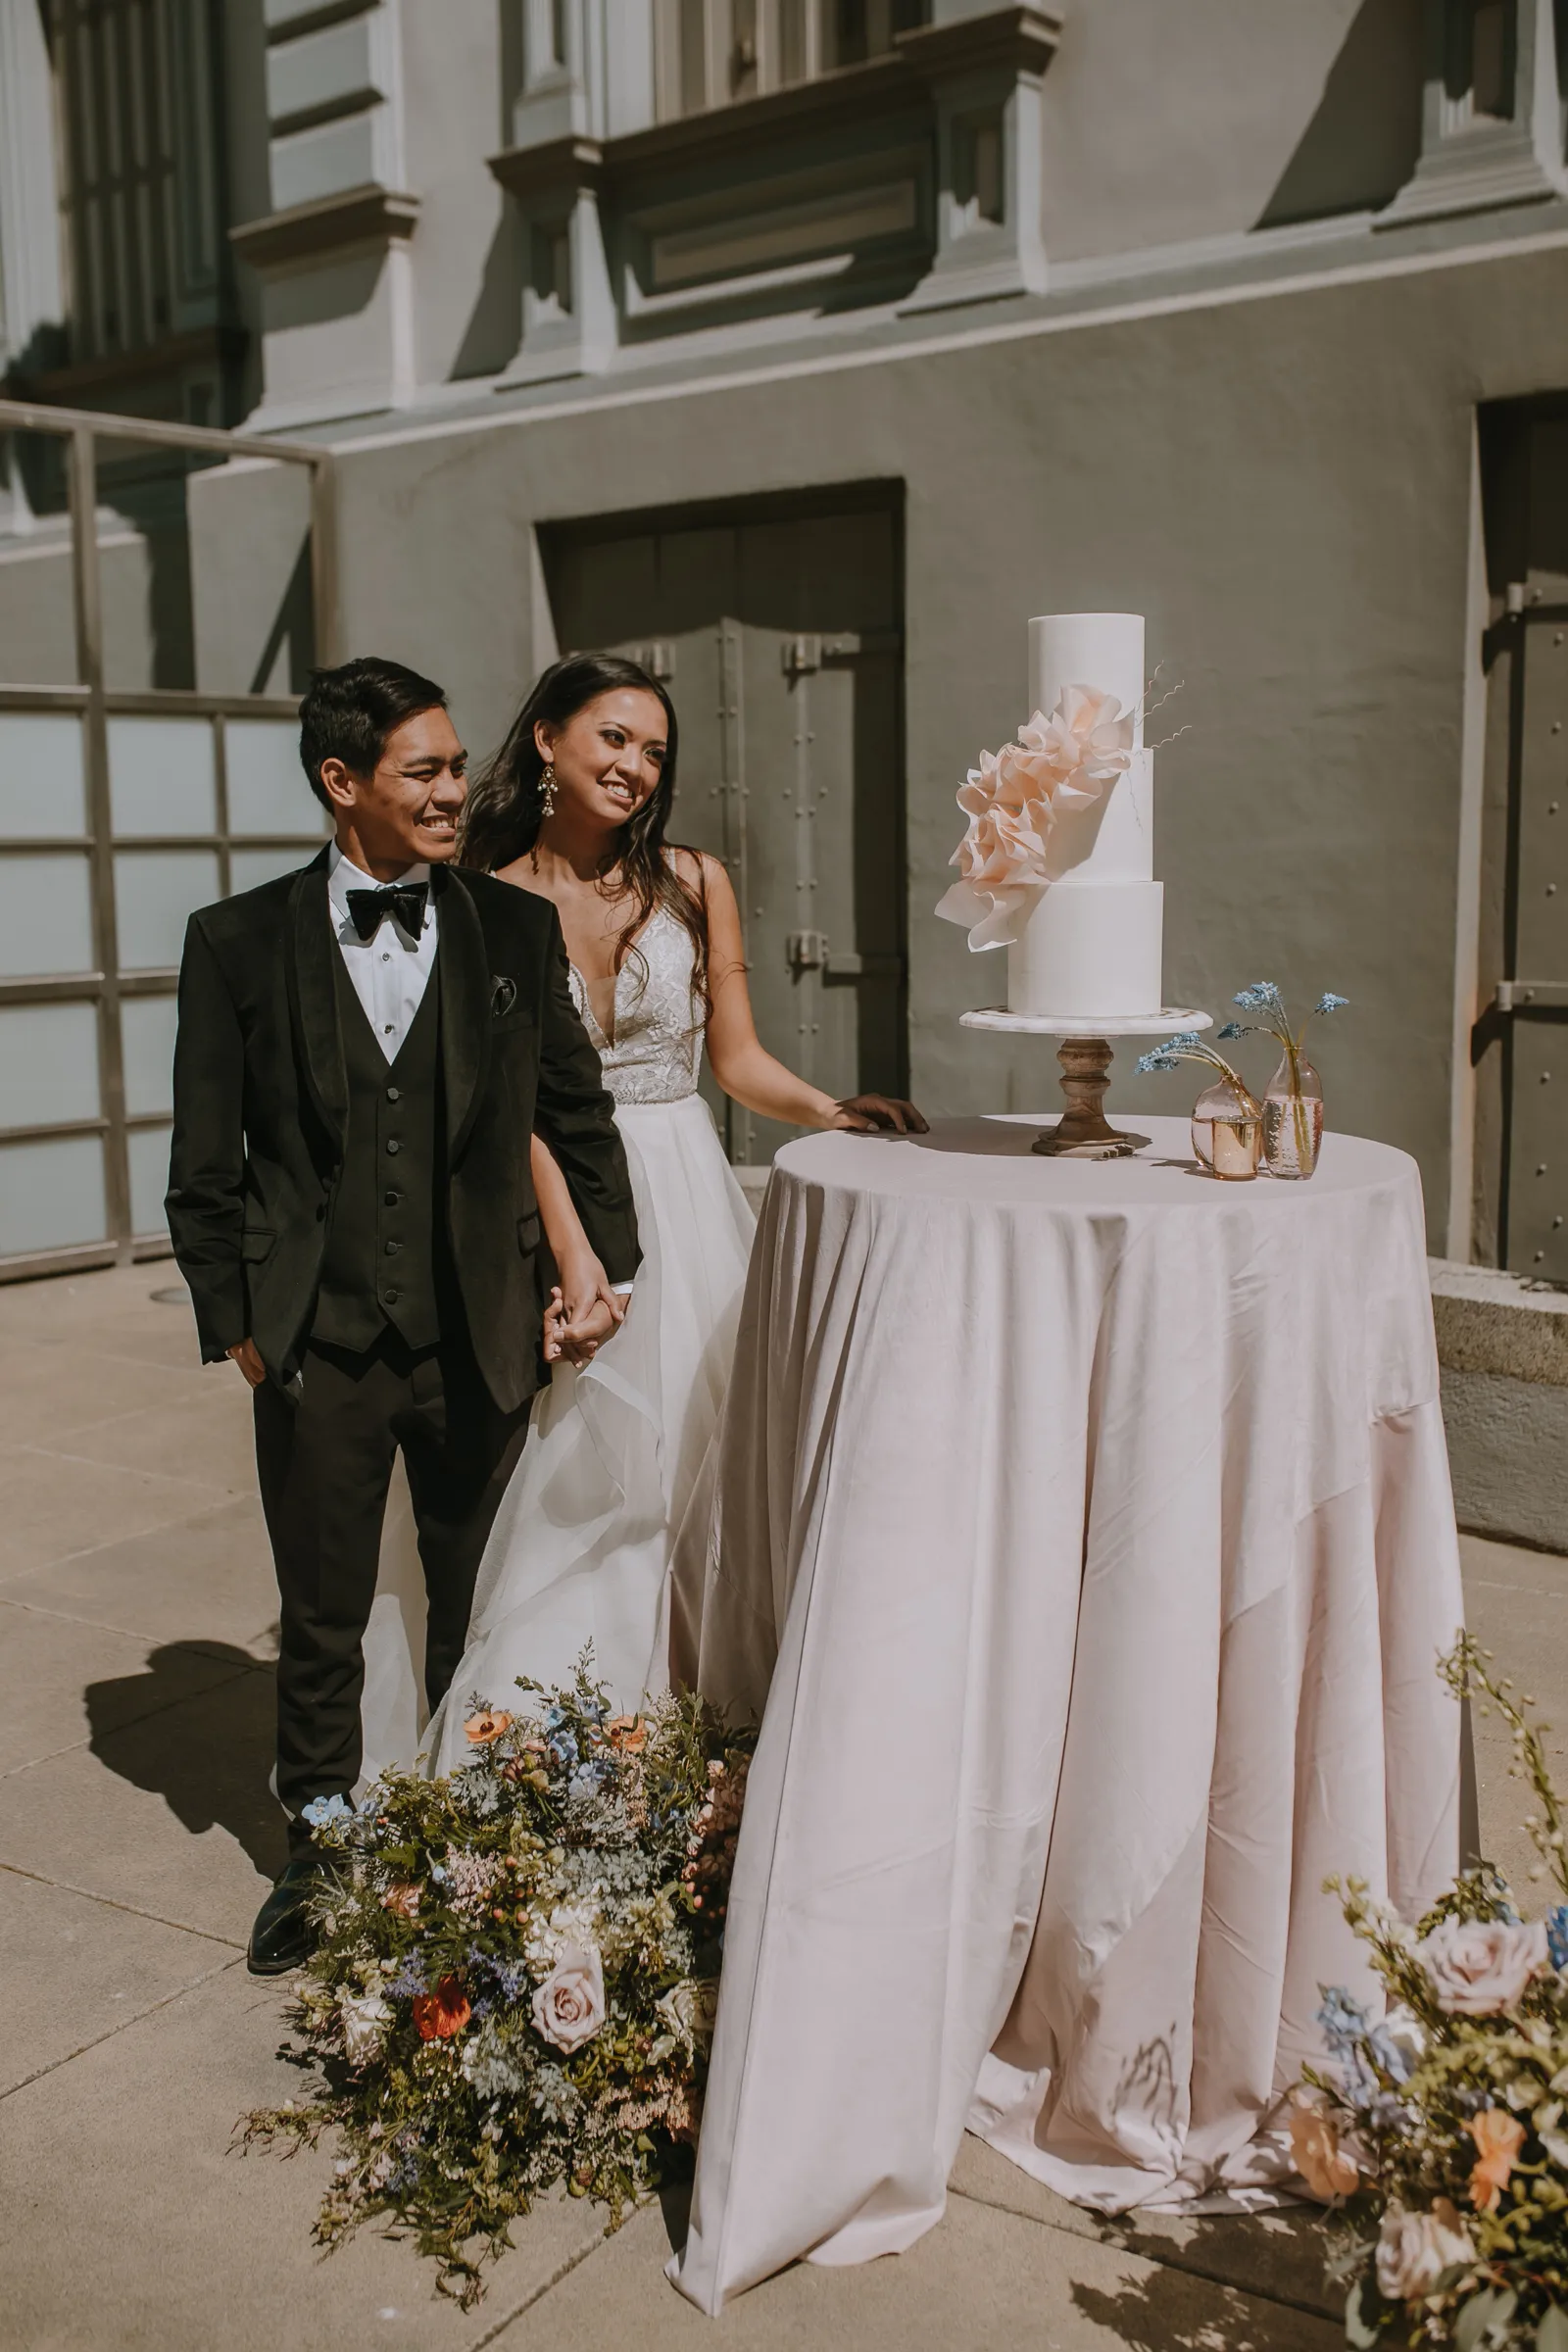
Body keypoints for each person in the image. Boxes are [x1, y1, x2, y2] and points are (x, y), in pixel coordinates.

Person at [362, 652, 925, 1776]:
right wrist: (573, 1250)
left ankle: (699, 1721)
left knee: (698, 1460)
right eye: (613, 738)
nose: (635, 766)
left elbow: (737, 1061)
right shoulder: (479, 895)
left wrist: (830, 1110)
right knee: (568, 1467)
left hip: (685, 1190)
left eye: (655, 751)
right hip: (551, 1194)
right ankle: (555, 1742)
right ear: (547, 740)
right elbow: (501, 1100)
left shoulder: (693, 881)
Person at [166, 658, 639, 1974]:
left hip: (478, 1326)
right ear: (342, 781)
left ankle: (462, 1831)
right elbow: (206, 1157)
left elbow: (573, 1109)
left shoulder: (511, 930)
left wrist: (607, 1268)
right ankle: (316, 1852)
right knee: (321, 1614)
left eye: (453, 766)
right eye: (422, 771)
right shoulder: (235, 941)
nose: (450, 791)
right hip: (315, 1342)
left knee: (473, 1605)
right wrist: (237, 1317)